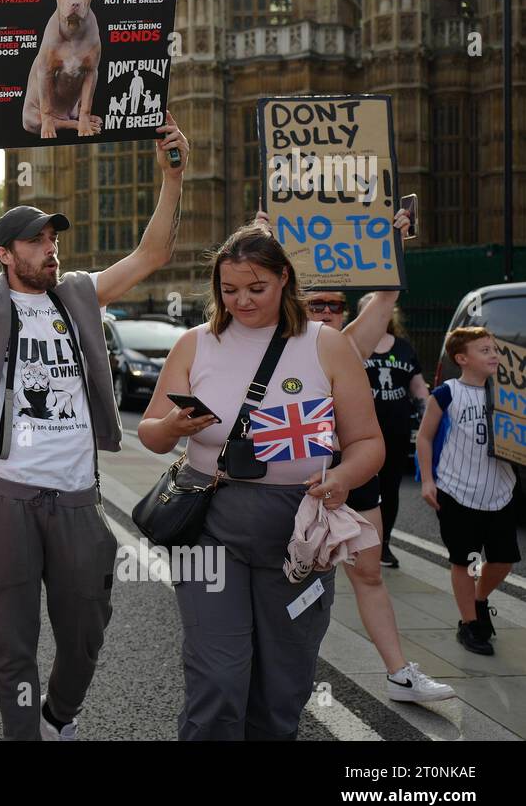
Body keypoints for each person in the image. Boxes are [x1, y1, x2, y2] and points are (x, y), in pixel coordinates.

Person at [0, 106, 191, 740]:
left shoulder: (77, 292)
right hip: (7, 502)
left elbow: (153, 252)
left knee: (85, 631)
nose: (52, 248)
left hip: (77, 501)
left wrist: (174, 176)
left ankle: (58, 717)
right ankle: (23, 734)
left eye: (55, 239)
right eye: (38, 240)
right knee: (12, 644)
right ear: (4, 252)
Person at [137, 224, 384, 739]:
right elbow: (152, 435)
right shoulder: (194, 345)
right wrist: (171, 427)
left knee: (283, 684)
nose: (242, 301)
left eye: (257, 288)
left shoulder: (327, 345)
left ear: (284, 280)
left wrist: (339, 478)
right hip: (209, 525)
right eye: (229, 290)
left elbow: (367, 443)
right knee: (218, 678)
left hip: (298, 533)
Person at [256, 213, 451, 702]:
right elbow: (249, 284)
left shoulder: (345, 346)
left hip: (349, 476)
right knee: (280, 582)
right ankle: (261, 669)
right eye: (314, 303)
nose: (325, 311)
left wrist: (393, 245)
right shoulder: (267, 340)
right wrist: (263, 240)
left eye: (335, 305)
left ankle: (400, 674)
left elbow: (385, 296)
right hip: (286, 481)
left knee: (367, 572)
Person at [416, 327, 520, 656]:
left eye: (494, 349)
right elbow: (424, 437)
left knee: (502, 560)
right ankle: (469, 624)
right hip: (457, 490)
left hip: (500, 490)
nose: (494, 355)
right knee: (464, 561)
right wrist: (428, 481)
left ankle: (479, 599)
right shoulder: (446, 393)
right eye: (484, 350)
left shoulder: (510, 393)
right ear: (462, 358)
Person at [355, 292, 429, 566]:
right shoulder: (349, 345)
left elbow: (418, 386)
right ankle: (351, 541)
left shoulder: (404, 347)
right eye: (369, 309)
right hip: (359, 431)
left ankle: (382, 545)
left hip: (395, 430)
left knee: (389, 487)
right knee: (357, 485)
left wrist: (427, 417)